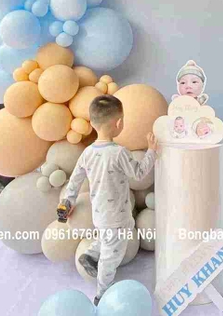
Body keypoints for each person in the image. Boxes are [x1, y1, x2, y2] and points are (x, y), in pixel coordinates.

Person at [58, 95, 158, 305]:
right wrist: (151, 151)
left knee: (109, 235)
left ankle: (90, 254)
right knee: (112, 256)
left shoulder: (87, 153)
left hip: (101, 213)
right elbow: (139, 173)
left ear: (93, 123)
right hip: (116, 216)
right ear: (119, 123)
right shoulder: (119, 153)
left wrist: (67, 202)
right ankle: (102, 294)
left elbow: (75, 181)